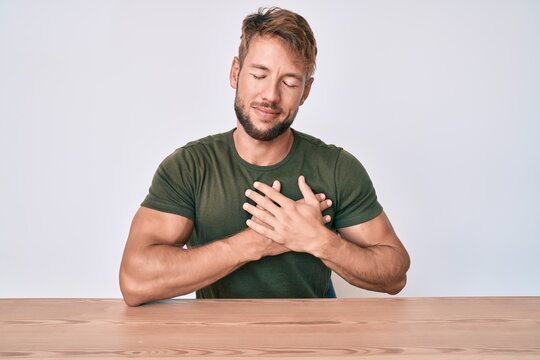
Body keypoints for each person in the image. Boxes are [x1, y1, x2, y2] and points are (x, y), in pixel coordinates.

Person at [119, 7, 410, 306]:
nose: (271, 95)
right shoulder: (189, 167)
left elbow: (394, 275)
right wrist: (257, 242)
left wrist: (318, 240)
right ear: (236, 73)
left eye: (290, 83)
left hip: (312, 344)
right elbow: (135, 280)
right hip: (217, 345)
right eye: (259, 75)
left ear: (306, 91)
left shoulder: (337, 168)